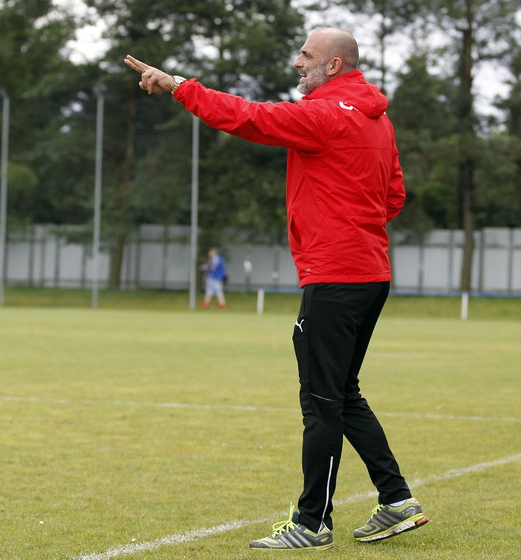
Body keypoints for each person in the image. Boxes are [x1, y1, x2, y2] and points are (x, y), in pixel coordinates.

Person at [125, 27, 428, 550]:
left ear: (333, 66)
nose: (296, 63)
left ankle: (312, 523)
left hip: (336, 277)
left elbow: (249, 117)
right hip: (369, 274)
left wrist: (178, 85)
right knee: (342, 393)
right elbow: (394, 197)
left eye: (306, 56)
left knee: (320, 401)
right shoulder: (378, 121)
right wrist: (351, 216)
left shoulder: (326, 115)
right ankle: (396, 499)